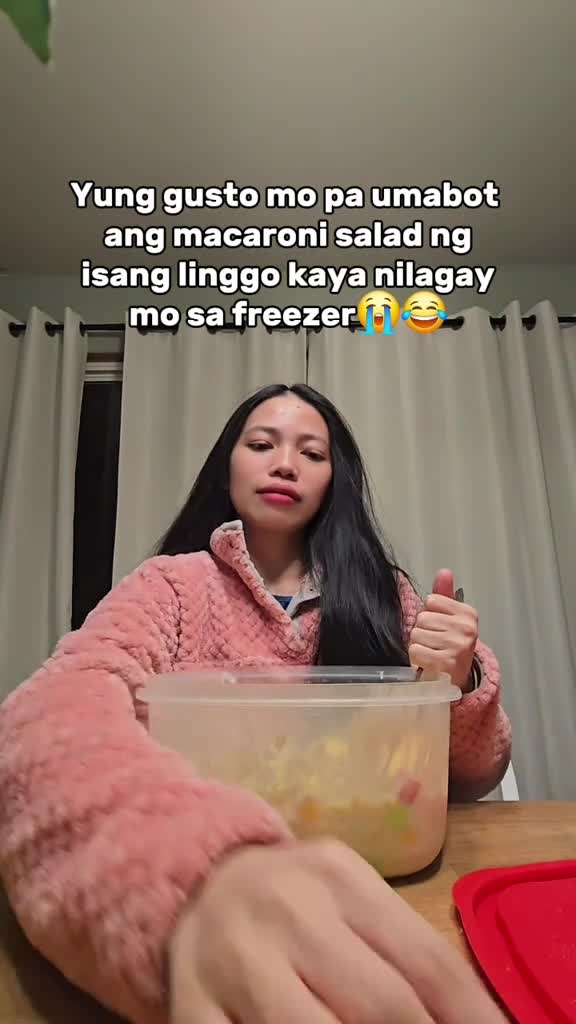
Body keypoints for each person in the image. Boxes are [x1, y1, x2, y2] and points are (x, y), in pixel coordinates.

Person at [0, 383, 511, 1024]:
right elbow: (55, 713)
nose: (285, 464)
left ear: (335, 479)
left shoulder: (387, 595)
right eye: (262, 444)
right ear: (228, 465)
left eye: (312, 453)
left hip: (395, 890)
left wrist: (453, 683)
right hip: (230, 916)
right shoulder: (170, 586)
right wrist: (189, 876)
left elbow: (478, 773)